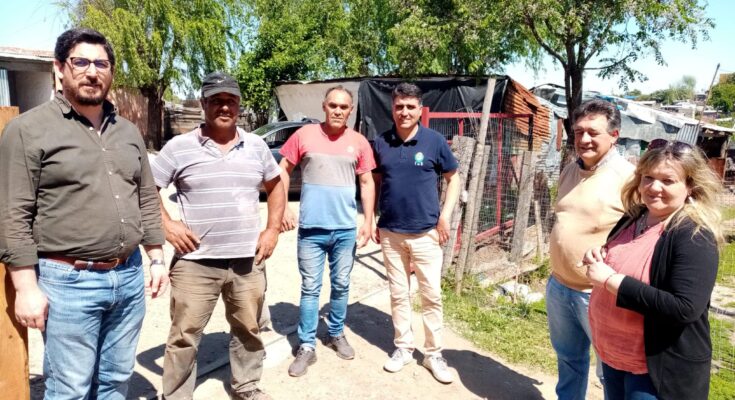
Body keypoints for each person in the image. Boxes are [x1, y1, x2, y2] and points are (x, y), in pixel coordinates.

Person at [0, 28, 168, 399]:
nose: (92, 72)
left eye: (101, 64)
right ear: (59, 68)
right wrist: (25, 288)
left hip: (128, 277)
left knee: (116, 379)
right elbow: (12, 214)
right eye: (81, 62)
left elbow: (145, 196)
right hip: (68, 282)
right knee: (70, 388)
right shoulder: (27, 130)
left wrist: (156, 258)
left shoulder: (128, 132)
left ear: (111, 72)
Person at [151, 71, 285, 400]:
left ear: (239, 104)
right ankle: (177, 396)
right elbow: (146, 189)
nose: (224, 107)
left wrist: (272, 230)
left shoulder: (256, 146)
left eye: (231, 101)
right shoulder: (179, 147)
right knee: (184, 336)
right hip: (195, 263)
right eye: (216, 101)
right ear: (203, 104)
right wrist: (167, 225)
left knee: (248, 329)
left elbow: (276, 185)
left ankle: (246, 386)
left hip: (247, 260)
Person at [584, 139, 723, 400]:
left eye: (668, 181)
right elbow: (626, 253)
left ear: (690, 186)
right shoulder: (636, 215)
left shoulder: (693, 235)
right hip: (614, 354)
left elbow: (684, 308)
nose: (654, 187)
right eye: (648, 177)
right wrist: (599, 253)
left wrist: (612, 280)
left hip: (656, 369)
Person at [280, 85, 376, 377]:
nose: (337, 110)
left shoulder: (359, 142)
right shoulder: (304, 135)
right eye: (333, 105)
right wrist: (283, 208)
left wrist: (368, 220)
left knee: (341, 284)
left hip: (345, 229)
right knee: (310, 288)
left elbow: (367, 182)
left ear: (350, 111)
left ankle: (336, 332)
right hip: (311, 230)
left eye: (343, 107)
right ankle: (307, 345)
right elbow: (283, 169)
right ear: (324, 106)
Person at [372, 82, 460, 384]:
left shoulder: (434, 141)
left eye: (410, 107)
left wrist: (445, 217)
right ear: (392, 108)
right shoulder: (381, 143)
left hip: (426, 233)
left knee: (431, 295)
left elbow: (454, 179)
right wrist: (373, 218)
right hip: (391, 234)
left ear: (420, 109)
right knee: (399, 294)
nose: (404, 112)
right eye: (399, 107)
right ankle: (404, 347)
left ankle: (433, 354)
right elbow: (374, 182)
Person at [547, 99, 635, 399]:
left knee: (609, 370)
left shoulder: (629, 179)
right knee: (568, 359)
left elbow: (643, 234)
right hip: (560, 285)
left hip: (598, 294)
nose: (584, 139)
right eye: (578, 131)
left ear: (614, 135)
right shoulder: (570, 171)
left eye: (593, 132)